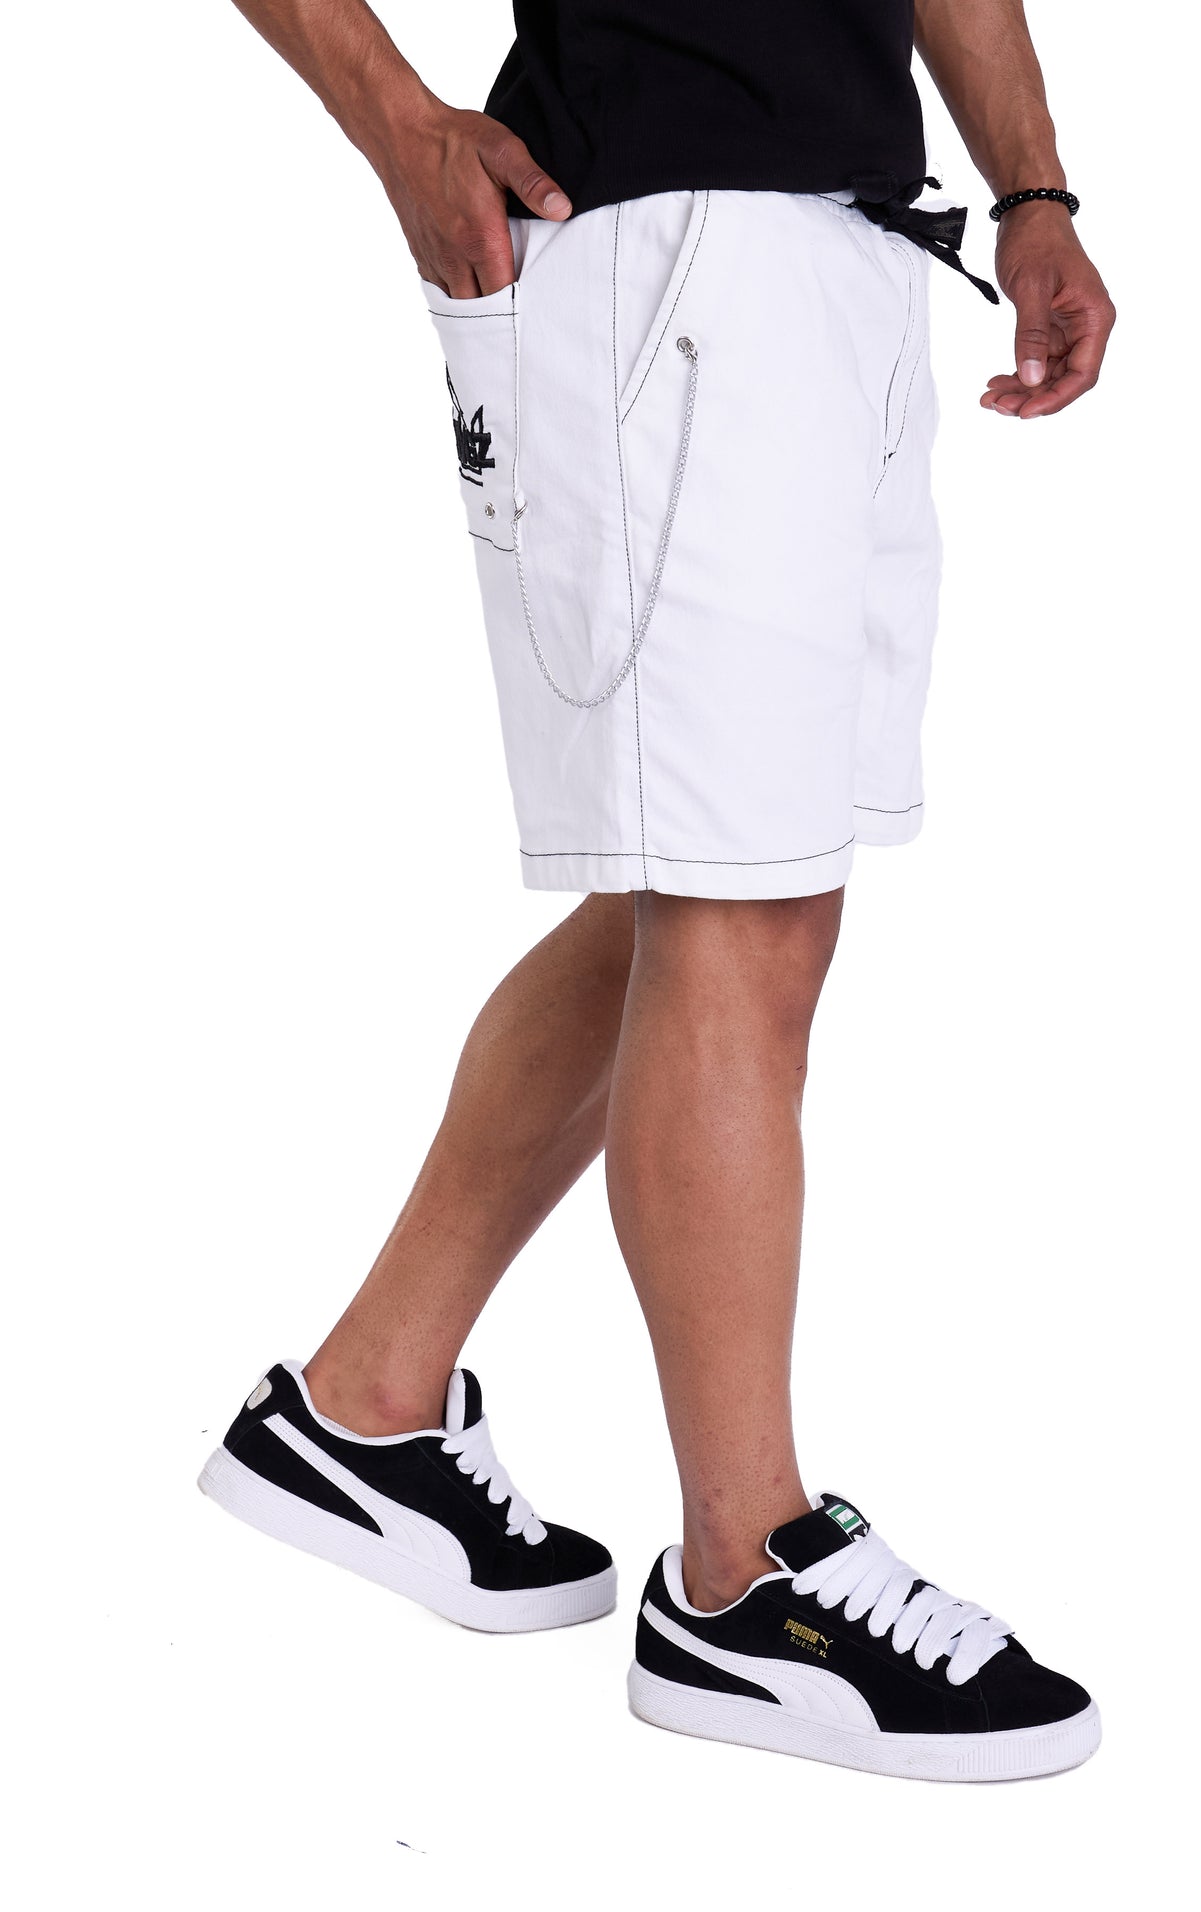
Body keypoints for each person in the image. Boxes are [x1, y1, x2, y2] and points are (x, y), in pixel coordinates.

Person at [199, 0, 1115, 1783]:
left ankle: (365, 1403)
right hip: (664, 249)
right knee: (731, 910)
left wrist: (1032, 190)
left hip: (848, 244)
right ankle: (741, 1575)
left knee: (707, 891)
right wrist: (393, 119)